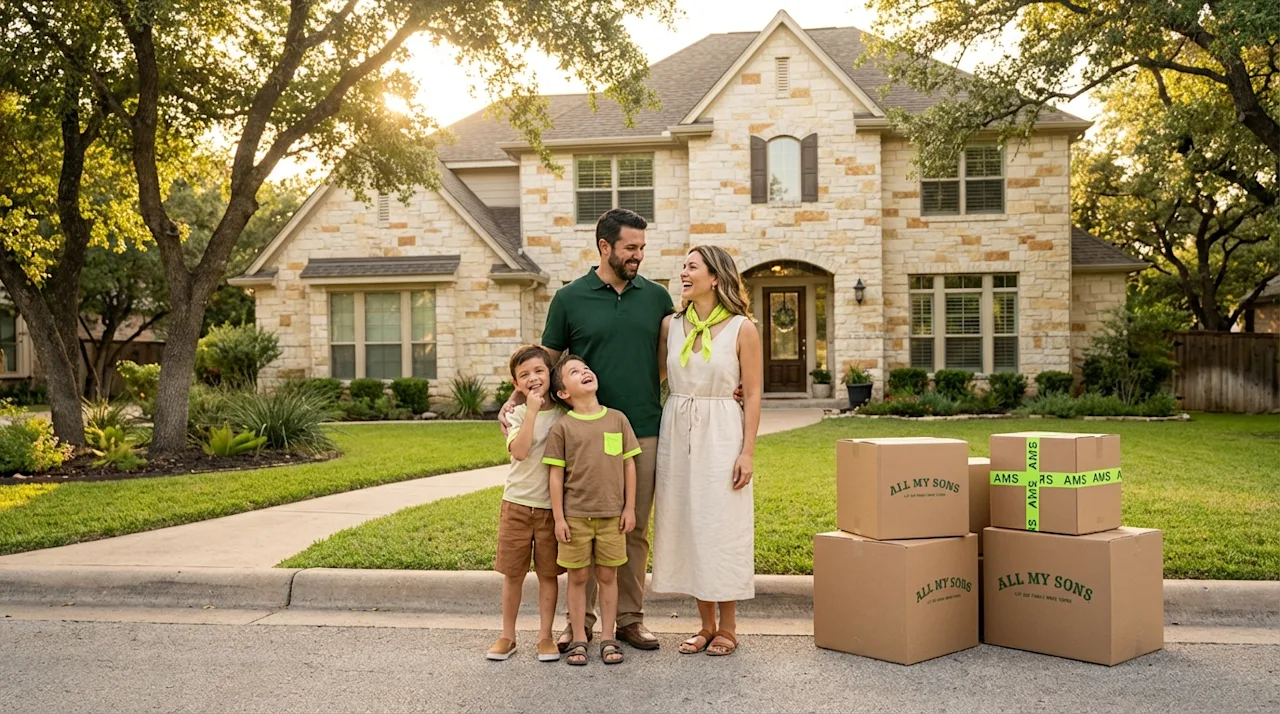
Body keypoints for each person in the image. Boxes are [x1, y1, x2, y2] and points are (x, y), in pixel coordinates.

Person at [500, 207, 671, 653]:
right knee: (580, 524)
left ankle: (629, 619)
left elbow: (674, 359)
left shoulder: (656, 297)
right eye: (630, 247)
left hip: (642, 429)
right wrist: (516, 397)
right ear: (604, 247)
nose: (638, 255)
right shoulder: (569, 298)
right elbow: (546, 361)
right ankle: (582, 623)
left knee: (630, 526)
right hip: (578, 434)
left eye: (641, 247)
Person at [651, 245, 763, 657]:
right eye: (683, 266)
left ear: (715, 277)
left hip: (722, 431)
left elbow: (751, 394)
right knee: (689, 522)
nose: (683, 272)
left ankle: (729, 626)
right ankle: (705, 625)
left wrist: (746, 451)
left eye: (691, 267)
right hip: (677, 429)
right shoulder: (671, 326)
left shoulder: (742, 329)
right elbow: (656, 374)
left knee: (721, 524)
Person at [542, 354, 640, 665]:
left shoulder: (617, 419)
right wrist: (559, 517)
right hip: (575, 518)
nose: (585, 371)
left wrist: (630, 508)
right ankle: (580, 639)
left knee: (609, 576)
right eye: (574, 371)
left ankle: (609, 638)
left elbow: (629, 465)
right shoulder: (563, 428)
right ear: (563, 393)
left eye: (585, 368)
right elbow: (555, 476)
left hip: (612, 516)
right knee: (578, 576)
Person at [486, 345, 566, 662]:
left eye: (539, 371)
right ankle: (508, 635)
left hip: (550, 508)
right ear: (516, 385)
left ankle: (545, 636)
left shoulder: (564, 414)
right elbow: (519, 451)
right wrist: (530, 411)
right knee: (513, 574)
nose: (533, 378)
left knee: (548, 574)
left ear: (550, 374)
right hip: (517, 504)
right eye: (524, 375)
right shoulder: (515, 414)